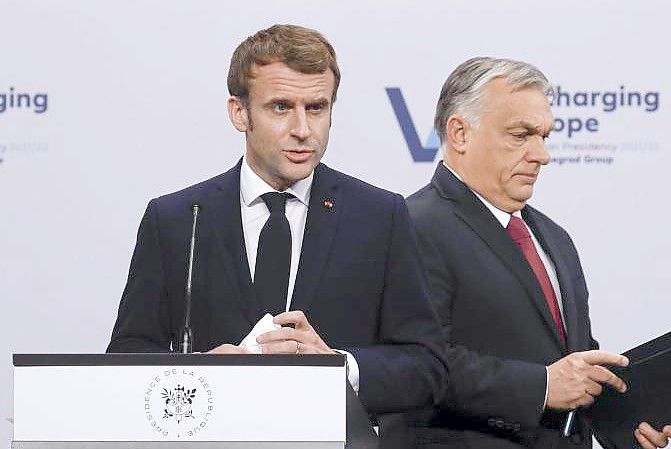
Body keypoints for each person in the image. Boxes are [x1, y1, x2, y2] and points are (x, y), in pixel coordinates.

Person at [107, 24, 447, 423]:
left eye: (317, 108)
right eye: (281, 107)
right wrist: (195, 370)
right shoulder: (177, 219)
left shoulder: (379, 215)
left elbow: (427, 367)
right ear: (240, 112)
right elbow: (127, 355)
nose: (303, 131)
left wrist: (338, 366)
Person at [405, 57, 671, 449]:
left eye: (544, 136)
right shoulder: (411, 226)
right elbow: (412, 366)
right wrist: (542, 386)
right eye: (521, 134)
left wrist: (629, 423)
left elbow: (574, 365)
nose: (542, 155)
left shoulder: (552, 237)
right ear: (459, 133)